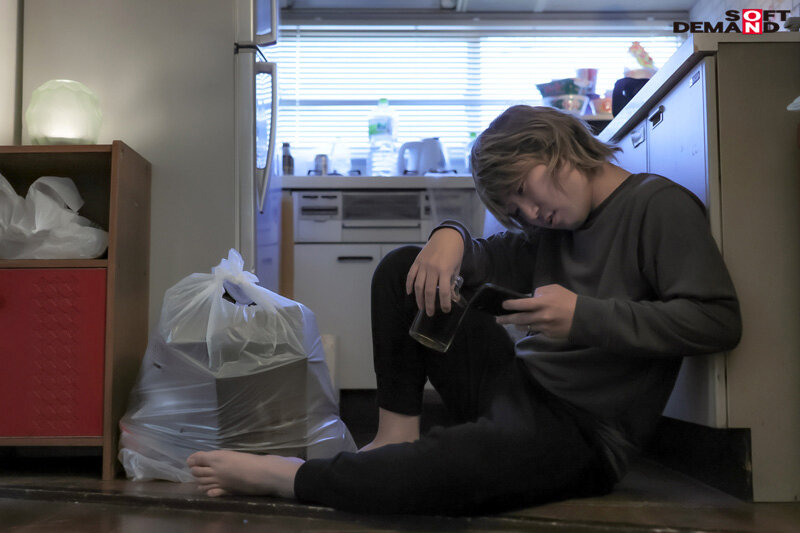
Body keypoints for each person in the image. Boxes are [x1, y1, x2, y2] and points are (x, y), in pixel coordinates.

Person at [187, 105, 741, 515]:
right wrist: (449, 235)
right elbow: (484, 256)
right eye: (515, 208)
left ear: (557, 147)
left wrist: (584, 316)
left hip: (584, 433)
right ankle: (396, 436)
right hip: (519, 385)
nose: (531, 212)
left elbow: (717, 320)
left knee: (448, 474)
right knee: (405, 268)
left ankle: (293, 479)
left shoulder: (656, 205)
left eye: (525, 189)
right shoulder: (552, 228)